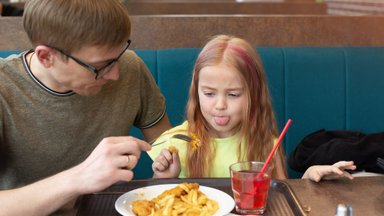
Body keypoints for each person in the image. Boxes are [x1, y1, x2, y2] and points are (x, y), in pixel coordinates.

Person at [0, 0, 171, 215]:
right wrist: (79, 178)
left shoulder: (130, 68)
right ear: (46, 57)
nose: (115, 74)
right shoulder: (4, 88)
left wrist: (169, 166)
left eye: (118, 56)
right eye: (100, 66)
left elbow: (167, 144)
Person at [148, 35, 356, 182]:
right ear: (196, 93)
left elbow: (279, 195)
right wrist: (163, 179)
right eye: (209, 93)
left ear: (253, 95)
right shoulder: (176, 142)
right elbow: (154, 201)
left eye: (233, 94)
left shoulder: (265, 144)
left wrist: (307, 180)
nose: (220, 105)